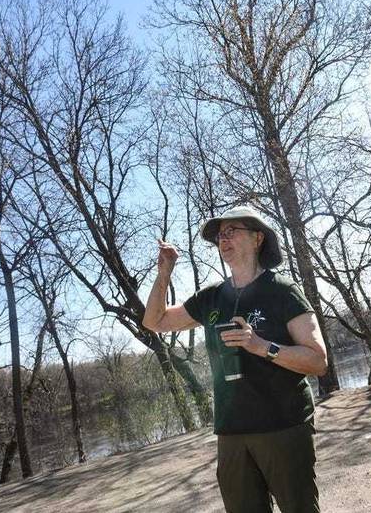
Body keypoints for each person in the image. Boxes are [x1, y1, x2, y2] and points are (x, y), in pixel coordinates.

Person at [143, 205, 328, 513]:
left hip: (283, 427)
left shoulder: (283, 291)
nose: (223, 239)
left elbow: (318, 361)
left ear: (257, 238)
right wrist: (164, 274)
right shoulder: (211, 297)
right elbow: (155, 321)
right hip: (232, 433)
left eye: (232, 231)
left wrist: (262, 346)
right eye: (220, 235)